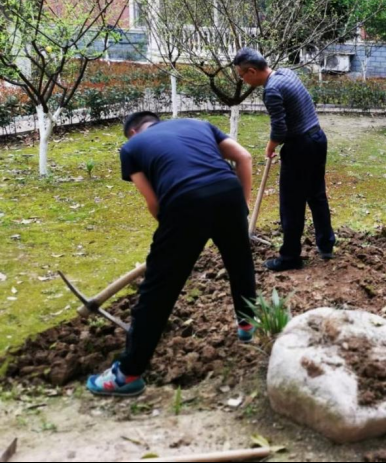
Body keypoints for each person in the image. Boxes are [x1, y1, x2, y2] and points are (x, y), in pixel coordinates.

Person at [87, 113, 257, 397]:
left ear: (133, 132)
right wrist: (242, 206)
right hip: (228, 192)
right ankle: (248, 325)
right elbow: (244, 157)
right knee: (240, 263)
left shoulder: (131, 148)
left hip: (184, 201)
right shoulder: (198, 124)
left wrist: (172, 237)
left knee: (158, 289)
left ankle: (128, 375)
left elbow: (153, 202)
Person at [232, 48, 335, 272]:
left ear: (252, 71)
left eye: (242, 75)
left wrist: (270, 147)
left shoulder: (271, 90)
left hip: (300, 147)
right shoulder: (286, 73)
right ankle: (326, 245)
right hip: (317, 138)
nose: (243, 80)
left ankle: (290, 257)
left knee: (291, 203)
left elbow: (279, 129)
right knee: (316, 194)